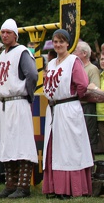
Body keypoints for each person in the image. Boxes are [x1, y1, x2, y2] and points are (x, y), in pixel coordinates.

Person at [42, 29, 94, 198]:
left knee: (69, 149)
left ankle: (70, 188)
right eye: (55, 41)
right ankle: (55, 187)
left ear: (68, 44)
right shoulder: (51, 63)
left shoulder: (73, 61)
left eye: (61, 41)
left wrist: (72, 98)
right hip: (54, 108)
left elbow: (82, 84)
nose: (58, 45)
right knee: (54, 147)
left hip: (69, 108)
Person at [0, 19, 38, 199]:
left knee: (22, 143)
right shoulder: (3, 54)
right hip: (4, 103)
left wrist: (28, 94)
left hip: (18, 101)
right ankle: (10, 185)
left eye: (8, 32)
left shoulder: (22, 52)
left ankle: (23, 186)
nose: (4, 35)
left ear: (15, 35)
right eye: (2, 32)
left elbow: (32, 74)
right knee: (6, 143)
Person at [74, 40, 100, 156]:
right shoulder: (75, 67)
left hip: (87, 107)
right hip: (75, 106)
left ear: (84, 53)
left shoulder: (92, 69)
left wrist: (83, 90)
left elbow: (95, 89)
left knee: (89, 137)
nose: (73, 53)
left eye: (76, 51)